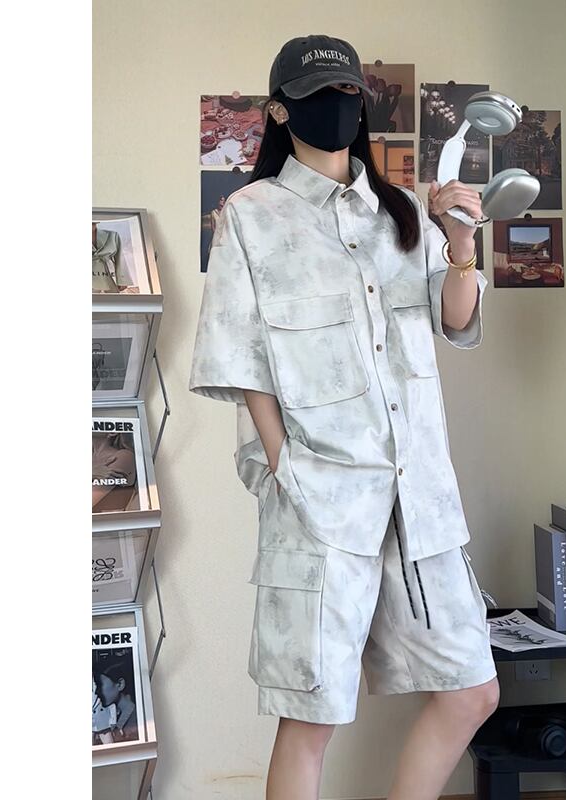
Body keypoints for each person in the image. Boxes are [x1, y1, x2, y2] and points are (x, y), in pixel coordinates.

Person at [190, 33, 499, 800]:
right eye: (316, 96)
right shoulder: (250, 216)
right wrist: (287, 469)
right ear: (278, 111)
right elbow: (239, 359)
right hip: (321, 506)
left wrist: (461, 237)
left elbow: (456, 318)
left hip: (419, 501)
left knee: (472, 691)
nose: (335, 107)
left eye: (347, 94)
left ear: (361, 105)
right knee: (311, 720)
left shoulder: (402, 212)